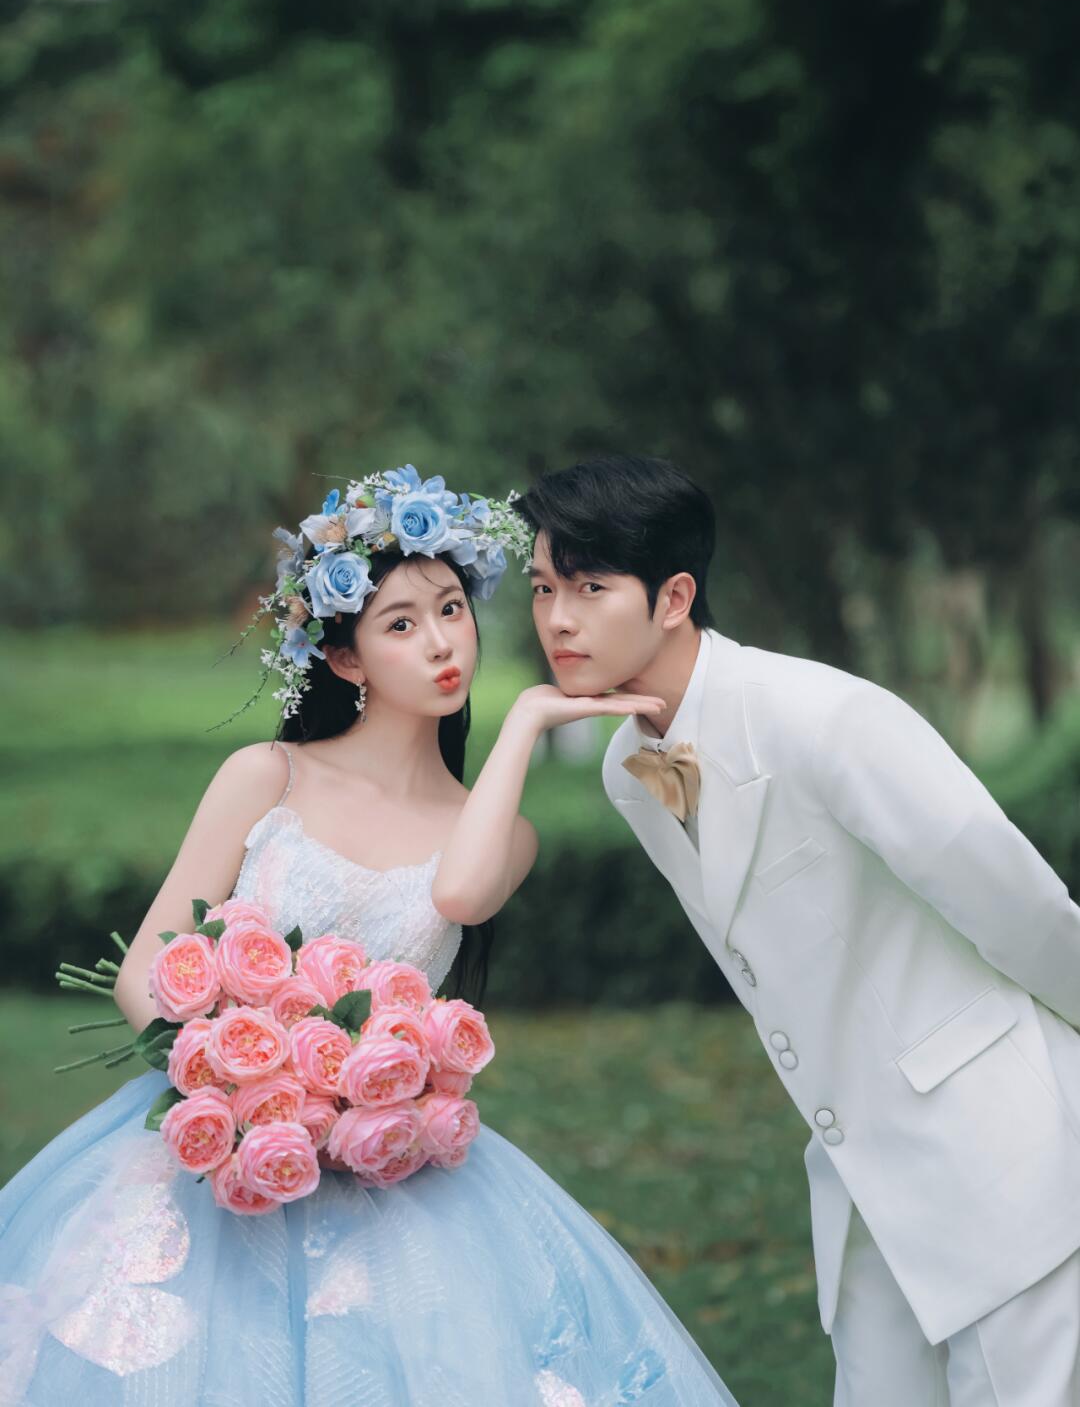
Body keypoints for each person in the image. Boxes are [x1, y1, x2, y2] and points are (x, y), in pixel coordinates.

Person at [0, 465, 737, 1406]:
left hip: (383, 1169)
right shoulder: (267, 775)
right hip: (212, 1150)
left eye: (452, 610)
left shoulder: (500, 835)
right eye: (400, 624)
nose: (441, 642)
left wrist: (525, 721)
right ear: (347, 660)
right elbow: (142, 971)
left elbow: (459, 892)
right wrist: (244, 1085)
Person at [514, 454, 1080, 1407]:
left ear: (673, 597)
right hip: (860, 1189)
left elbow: (1018, 905)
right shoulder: (627, 769)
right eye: (542, 589)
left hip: (1001, 1158)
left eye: (589, 587)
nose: (557, 618)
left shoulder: (827, 717)